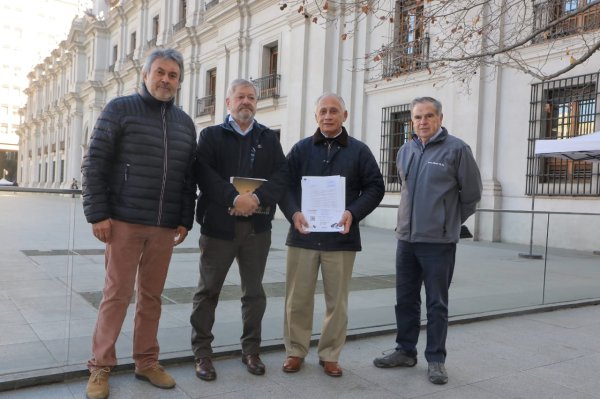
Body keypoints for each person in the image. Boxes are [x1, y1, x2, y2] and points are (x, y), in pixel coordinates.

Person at [81, 48, 197, 399]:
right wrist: (98, 213)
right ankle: (100, 366)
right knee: (116, 294)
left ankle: (146, 362)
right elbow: (95, 163)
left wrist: (183, 218)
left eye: (173, 75)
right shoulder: (119, 109)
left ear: (179, 81)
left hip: (164, 226)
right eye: (160, 72)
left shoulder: (184, 122)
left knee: (152, 297)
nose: (166, 80)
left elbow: (186, 177)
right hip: (124, 222)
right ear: (145, 75)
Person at [373, 97, 482, 385]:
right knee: (405, 300)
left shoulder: (457, 149)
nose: (423, 121)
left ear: (440, 118)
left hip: (439, 243)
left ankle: (436, 360)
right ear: (412, 121)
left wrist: (448, 223)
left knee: (437, 304)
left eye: (429, 116)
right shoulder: (405, 150)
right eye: (418, 117)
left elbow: (471, 195)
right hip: (406, 239)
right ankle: (405, 351)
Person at [279, 93, 385, 377]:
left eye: (334, 111)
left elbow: (376, 187)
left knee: (337, 302)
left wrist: (353, 212)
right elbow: (284, 186)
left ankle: (330, 354)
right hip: (303, 235)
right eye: (323, 111)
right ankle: (295, 351)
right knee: (297, 299)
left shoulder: (359, 151)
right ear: (316, 117)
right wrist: (293, 213)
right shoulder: (300, 149)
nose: (328, 115)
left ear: (344, 116)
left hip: (341, 238)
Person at [190, 78, 288, 381]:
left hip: (257, 229)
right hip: (219, 227)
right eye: (240, 97)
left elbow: (282, 176)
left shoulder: (268, 138)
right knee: (208, 292)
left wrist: (256, 199)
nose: (246, 102)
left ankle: (251, 351)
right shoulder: (210, 136)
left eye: (251, 97)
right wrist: (234, 198)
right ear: (228, 103)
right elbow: (203, 175)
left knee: (254, 293)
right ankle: (202, 354)